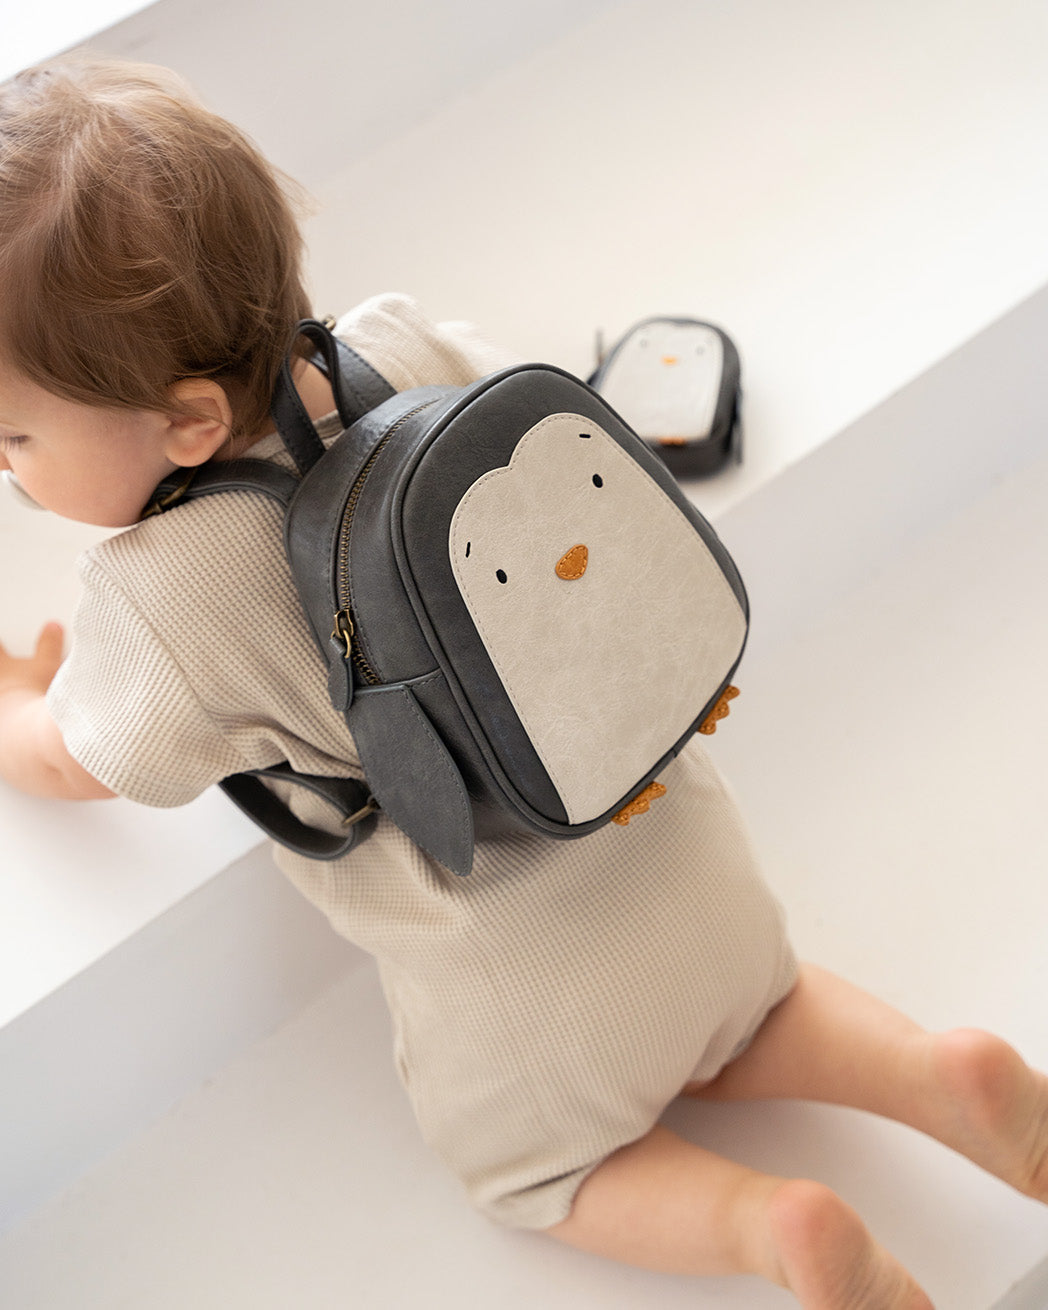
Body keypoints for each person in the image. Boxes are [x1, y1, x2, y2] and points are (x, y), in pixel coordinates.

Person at [0, 56, 1044, 1309]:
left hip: (523, 978)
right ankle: (939, 1070)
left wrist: (16, 706)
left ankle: (773, 1224)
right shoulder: (400, 338)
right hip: (671, 824)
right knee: (757, 1009)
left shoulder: (161, 595)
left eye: (16, 437)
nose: (8, 467)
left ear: (185, 425)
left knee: (537, 1175)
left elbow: (79, 757)